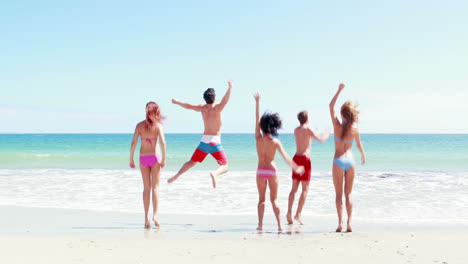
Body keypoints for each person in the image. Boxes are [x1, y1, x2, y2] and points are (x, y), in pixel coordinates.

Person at [167, 80, 233, 188]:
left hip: (204, 142)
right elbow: (225, 101)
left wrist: (177, 102)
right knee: (225, 165)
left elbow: (188, 106)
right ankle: (215, 174)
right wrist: (230, 87)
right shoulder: (217, 109)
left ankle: (176, 175)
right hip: (214, 141)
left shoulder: (202, 108)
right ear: (214, 98)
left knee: (191, 162)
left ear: (205, 99)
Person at [254, 93, 304, 232]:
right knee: (274, 200)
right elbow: (286, 157)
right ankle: (280, 226)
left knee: (261, 200)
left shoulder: (258, 138)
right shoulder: (275, 142)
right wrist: (296, 167)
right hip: (271, 169)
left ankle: (260, 225)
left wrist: (257, 102)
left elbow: (257, 119)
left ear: (262, 126)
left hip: (260, 170)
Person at [329, 83, 366, 232]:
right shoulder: (355, 130)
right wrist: (363, 156)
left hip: (338, 161)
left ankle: (339, 223)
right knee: (348, 194)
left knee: (338, 194)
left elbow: (330, 106)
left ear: (342, 114)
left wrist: (339, 90)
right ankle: (349, 223)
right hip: (350, 161)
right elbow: (359, 145)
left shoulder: (337, 126)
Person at [286, 111, 330, 225]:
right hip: (305, 159)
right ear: (307, 118)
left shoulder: (296, 130)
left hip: (296, 157)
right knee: (305, 189)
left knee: (293, 189)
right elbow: (321, 139)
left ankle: (289, 213)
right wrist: (327, 133)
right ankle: (298, 214)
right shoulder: (308, 130)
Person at [129, 102, 167, 228]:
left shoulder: (139, 126)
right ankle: (155, 215)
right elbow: (163, 143)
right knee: (155, 187)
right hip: (155, 157)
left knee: (146, 188)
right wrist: (164, 159)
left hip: (143, 158)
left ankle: (146, 217)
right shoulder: (158, 126)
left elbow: (133, 143)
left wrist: (131, 158)